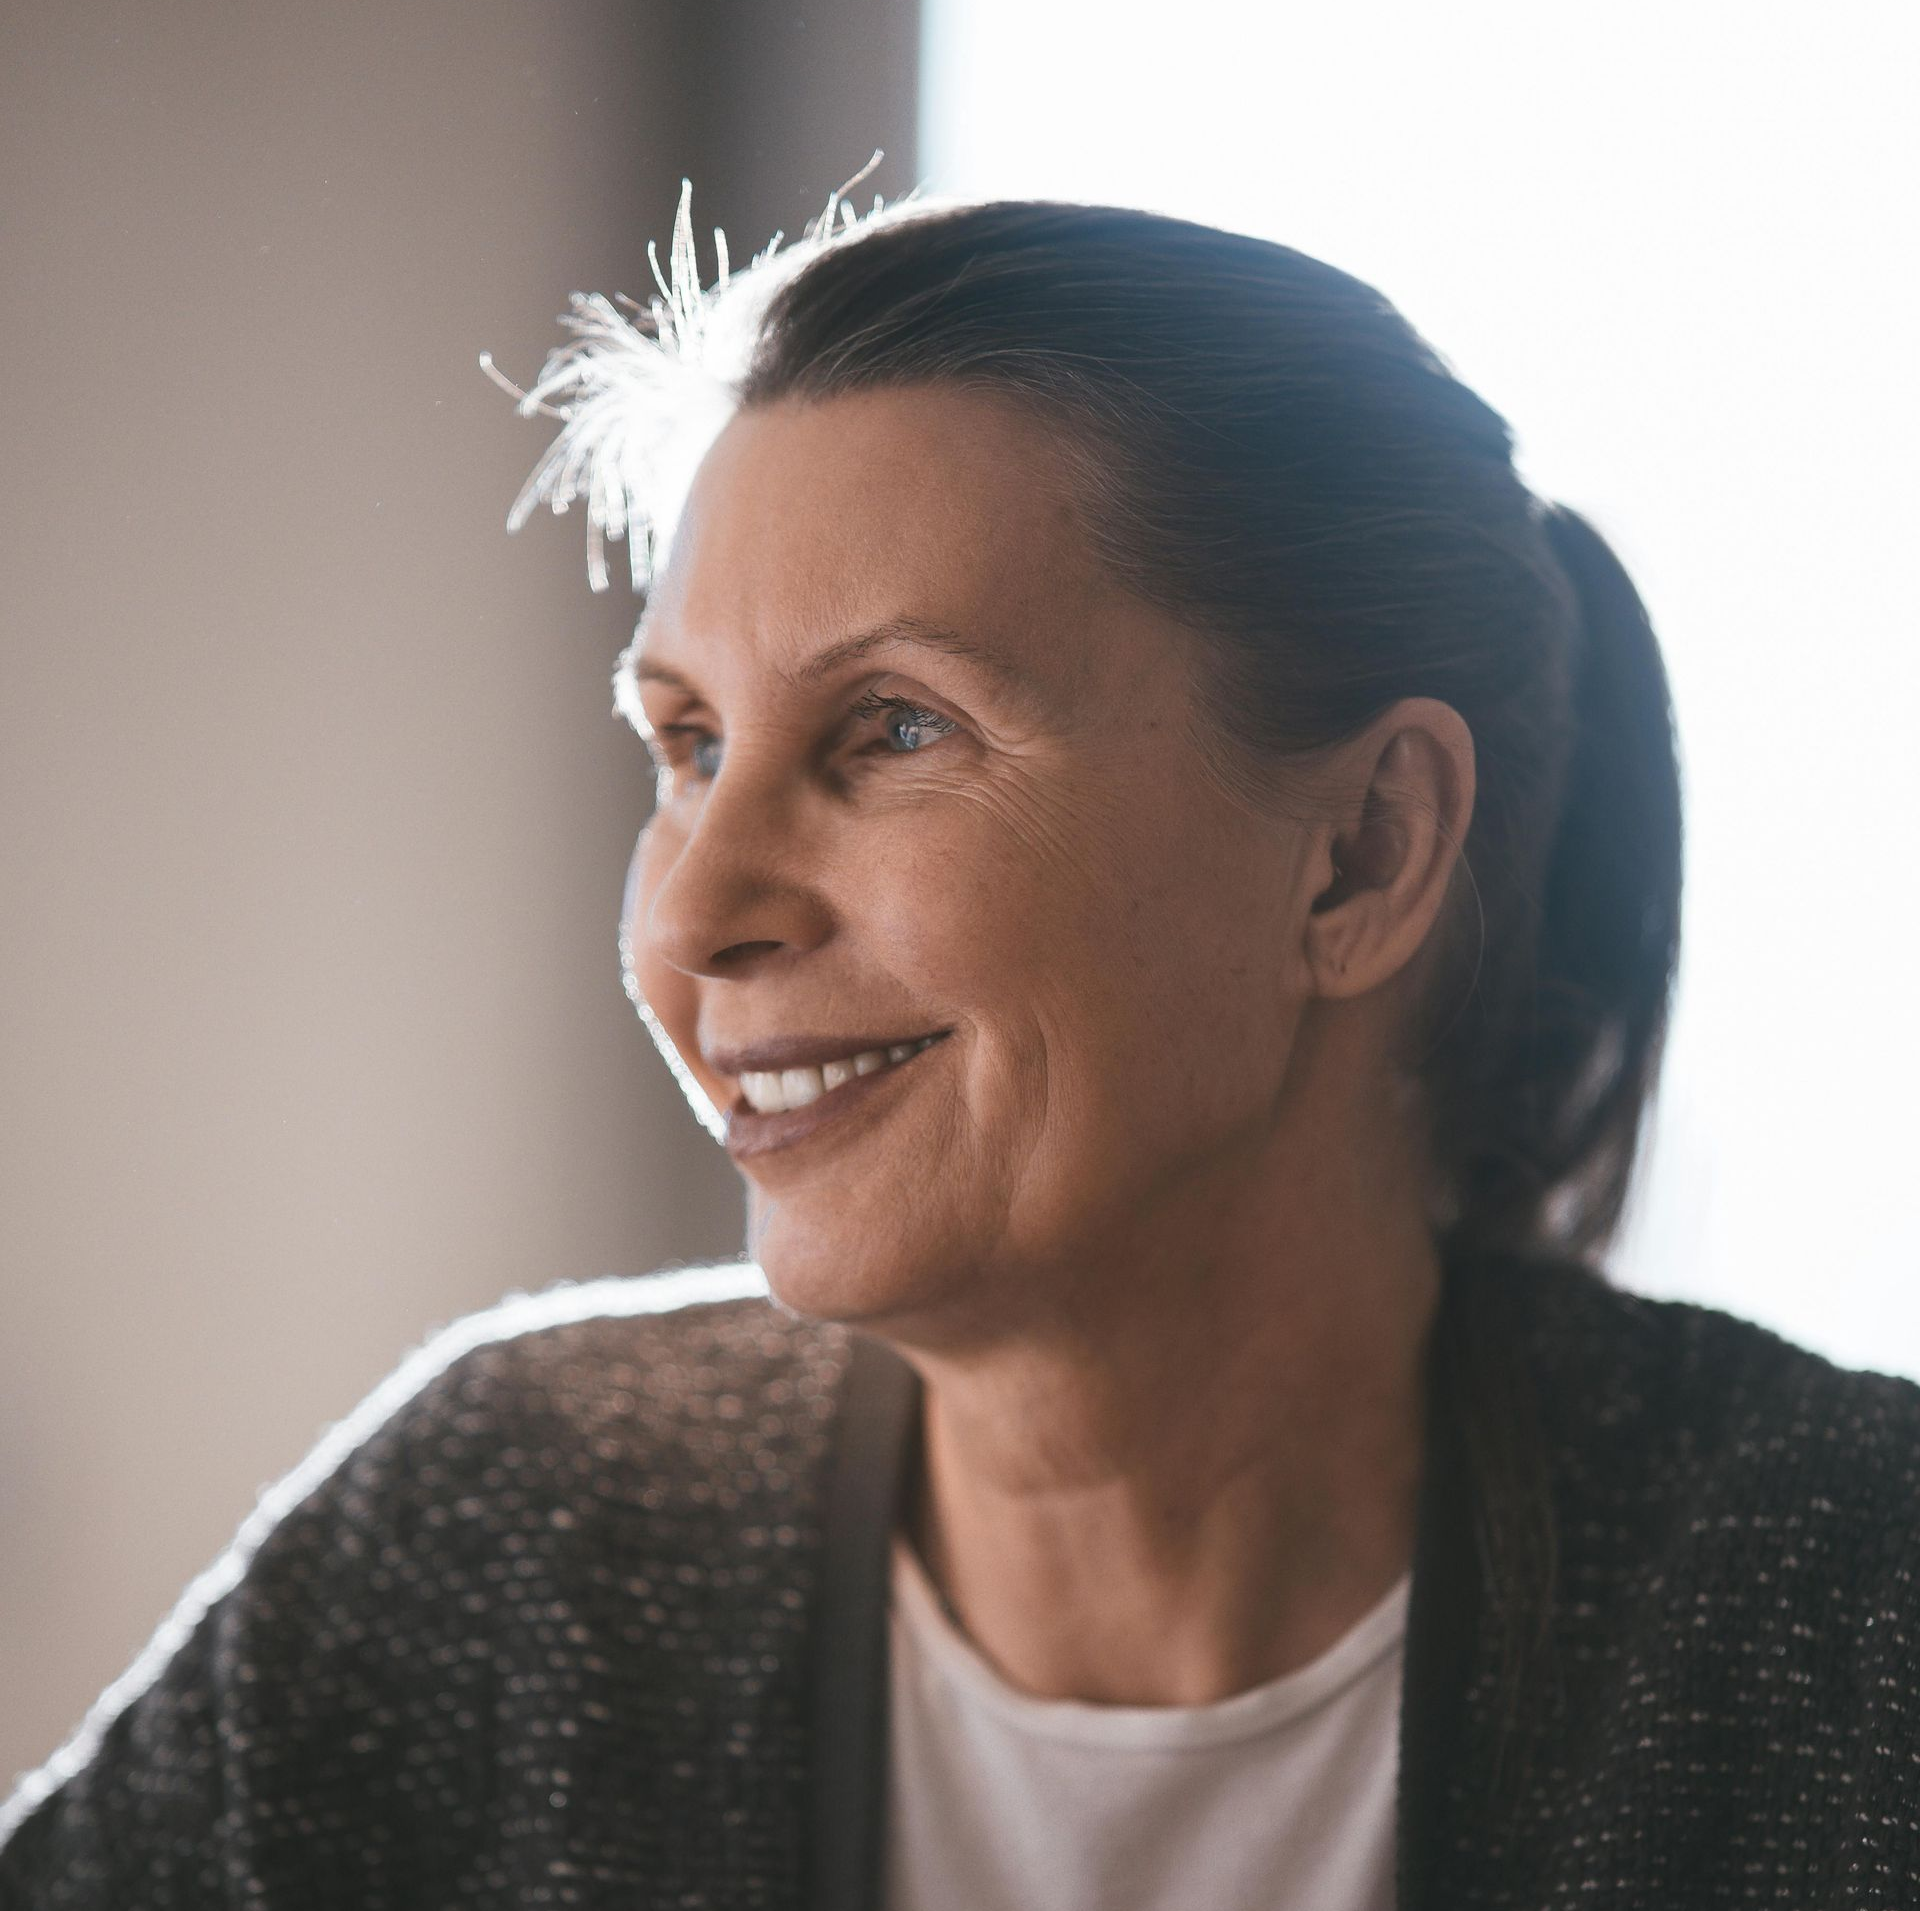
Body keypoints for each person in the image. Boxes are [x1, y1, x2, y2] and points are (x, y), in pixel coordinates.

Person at [4, 175, 1917, 1911]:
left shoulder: (1848, 1616)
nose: (688, 915)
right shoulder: (510, 1540)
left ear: (1363, 851)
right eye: (686, 745)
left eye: (896, 730)